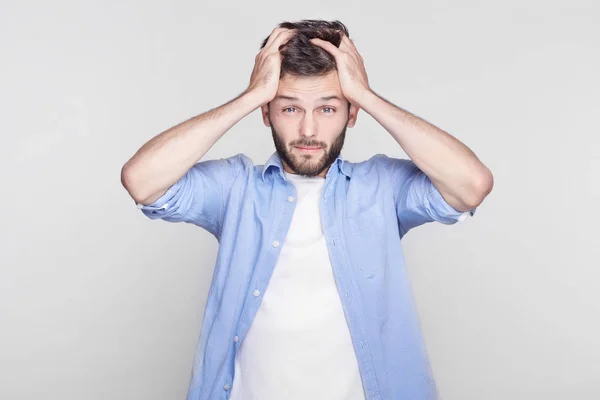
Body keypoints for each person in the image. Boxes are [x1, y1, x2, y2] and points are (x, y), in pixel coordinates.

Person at [121, 19, 493, 400]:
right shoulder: (236, 189)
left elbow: (472, 185)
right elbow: (141, 180)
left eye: (328, 109)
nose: (309, 130)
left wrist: (366, 95)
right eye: (290, 108)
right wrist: (250, 96)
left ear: (352, 113)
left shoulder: (381, 187)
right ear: (267, 113)